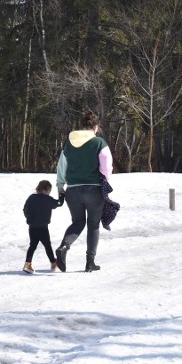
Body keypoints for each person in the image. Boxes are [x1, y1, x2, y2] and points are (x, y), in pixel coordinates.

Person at [55, 110, 112, 272]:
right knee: (93, 225)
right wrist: (105, 181)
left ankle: (64, 247)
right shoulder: (99, 143)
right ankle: (90, 262)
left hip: (72, 191)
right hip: (94, 190)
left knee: (78, 222)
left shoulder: (69, 143)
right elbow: (107, 165)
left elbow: (61, 167)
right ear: (95, 127)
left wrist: (60, 187)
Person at [22, 180, 65, 274]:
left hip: (32, 227)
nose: (49, 192)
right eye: (50, 190)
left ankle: (27, 264)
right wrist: (62, 195)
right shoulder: (47, 199)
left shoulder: (31, 198)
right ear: (47, 189)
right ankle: (54, 263)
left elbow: (25, 209)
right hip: (43, 227)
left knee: (32, 246)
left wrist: (30, 218)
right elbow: (59, 203)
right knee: (47, 246)